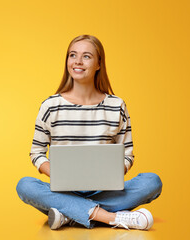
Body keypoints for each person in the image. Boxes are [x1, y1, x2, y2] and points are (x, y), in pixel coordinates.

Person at [16, 35, 162, 231]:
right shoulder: (50, 106)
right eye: (72, 55)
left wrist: (113, 173)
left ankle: (68, 214)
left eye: (86, 56)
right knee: (25, 186)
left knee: (152, 182)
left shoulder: (116, 105)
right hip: (63, 189)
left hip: (105, 190)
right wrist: (59, 175)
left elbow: (127, 155)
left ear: (99, 64)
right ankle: (109, 217)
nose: (77, 61)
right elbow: (37, 153)